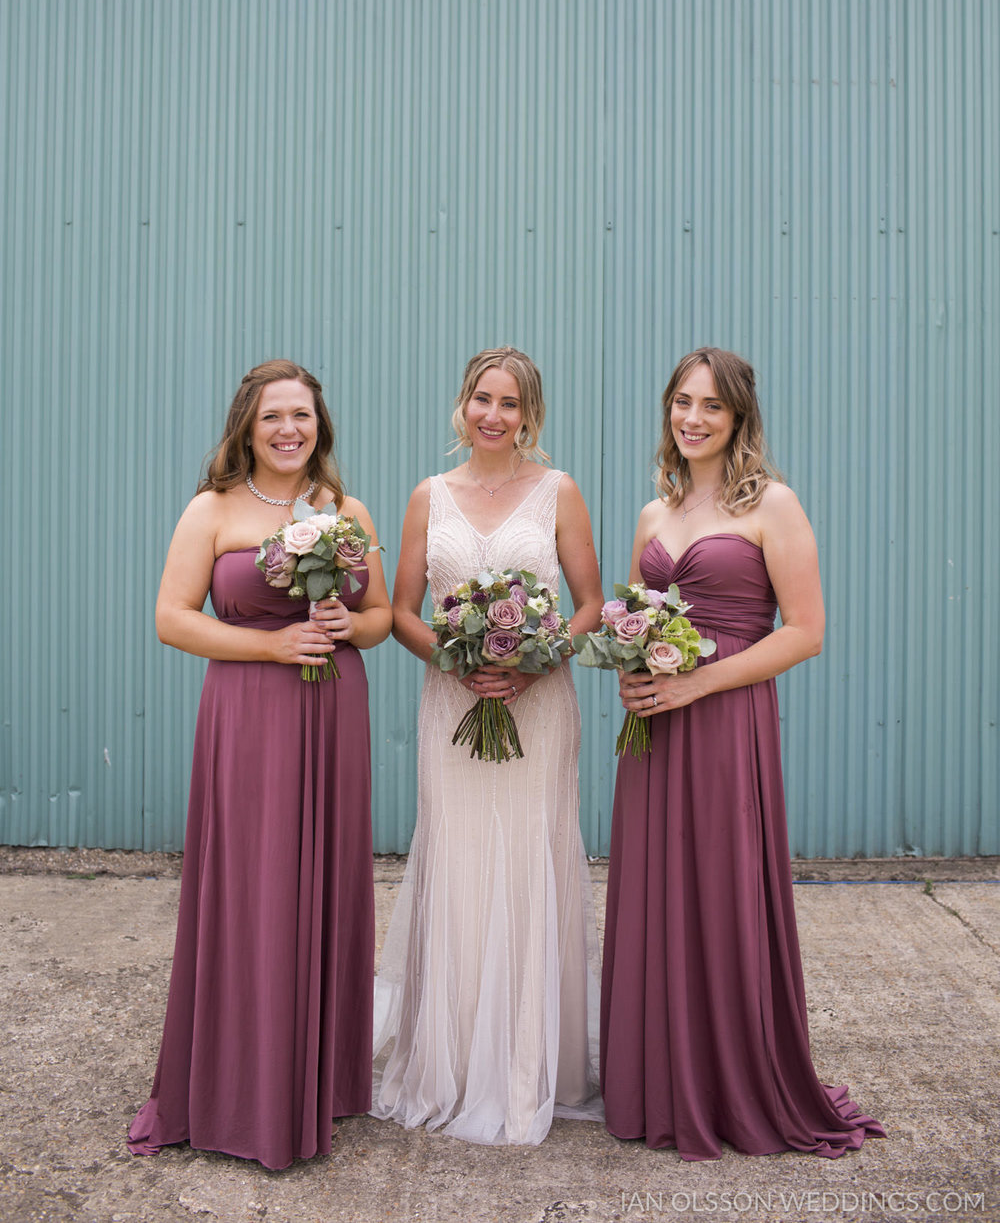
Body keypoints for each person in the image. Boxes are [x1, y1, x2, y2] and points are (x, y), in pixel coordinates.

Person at [601, 347, 885, 1161]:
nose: (692, 419)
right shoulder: (654, 514)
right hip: (654, 728)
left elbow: (805, 632)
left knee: (720, 889)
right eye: (681, 403)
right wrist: (630, 674)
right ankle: (658, 1080)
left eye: (711, 407)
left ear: (739, 419)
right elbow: (634, 615)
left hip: (726, 725)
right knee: (658, 889)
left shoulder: (774, 505)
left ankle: (731, 1083)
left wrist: (700, 684)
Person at [128, 360, 392, 1170]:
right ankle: (243, 1082)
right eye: (273, 416)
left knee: (324, 881)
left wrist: (347, 624)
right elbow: (173, 619)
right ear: (247, 425)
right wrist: (273, 645)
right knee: (255, 884)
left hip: (334, 711)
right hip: (249, 717)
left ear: (321, 426)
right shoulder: (210, 509)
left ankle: (321, 1075)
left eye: (302, 417)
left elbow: (381, 616)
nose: (289, 430)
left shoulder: (346, 509)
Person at [371, 347, 605, 1145]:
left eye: (509, 403)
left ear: (529, 414)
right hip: (452, 704)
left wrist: (537, 660)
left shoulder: (558, 492)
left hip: (539, 709)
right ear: (462, 406)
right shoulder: (426, 497)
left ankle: (531, 1064)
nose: (493, 416)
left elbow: (590, 604)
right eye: (481, 399)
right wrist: (452, 658)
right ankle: (453, 1060)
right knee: (461, 858)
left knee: (530, 862)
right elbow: (403, 609)